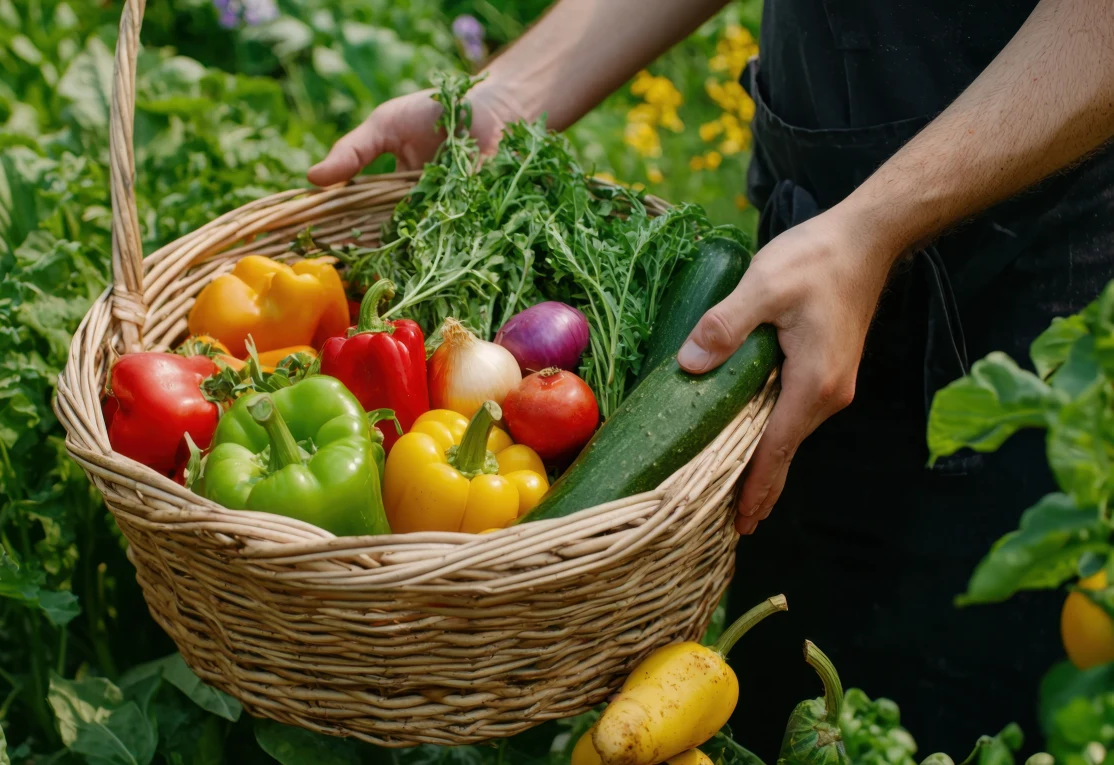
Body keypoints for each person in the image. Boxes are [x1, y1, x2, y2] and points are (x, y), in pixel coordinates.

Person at [308, 0, 1114, 755]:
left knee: (945, 719)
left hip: (1015, 296)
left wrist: (874, 226)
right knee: (764, 702)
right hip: (800, 277)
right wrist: (510, 96)